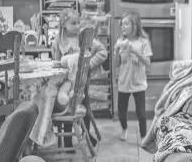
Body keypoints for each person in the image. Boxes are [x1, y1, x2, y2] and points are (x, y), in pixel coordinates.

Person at [51, 9, 107, 148]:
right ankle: (68, 141)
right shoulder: (58, 40)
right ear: (64, 25)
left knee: (84, 106)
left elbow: (102, 52)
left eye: (78, 22)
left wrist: (88, 65)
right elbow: (57, 60)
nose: (77, 26)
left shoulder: (83, 37)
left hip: (82, 80)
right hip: (65, 82)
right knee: (67, 107)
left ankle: (86, 133)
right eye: (73, 23)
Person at [114, 11, 152, 141]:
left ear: (134, 25)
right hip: (123, 82)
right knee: (121, 111)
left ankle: (143, 136)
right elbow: (116, 64)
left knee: (141, 113)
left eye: (126, 23)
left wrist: (135, 52)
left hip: (138, 82)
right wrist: (116, 52)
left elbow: (147, 63)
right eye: (122, 24)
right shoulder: (120, 41)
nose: (123, 26)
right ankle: (124, 129)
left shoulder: (143, 42)